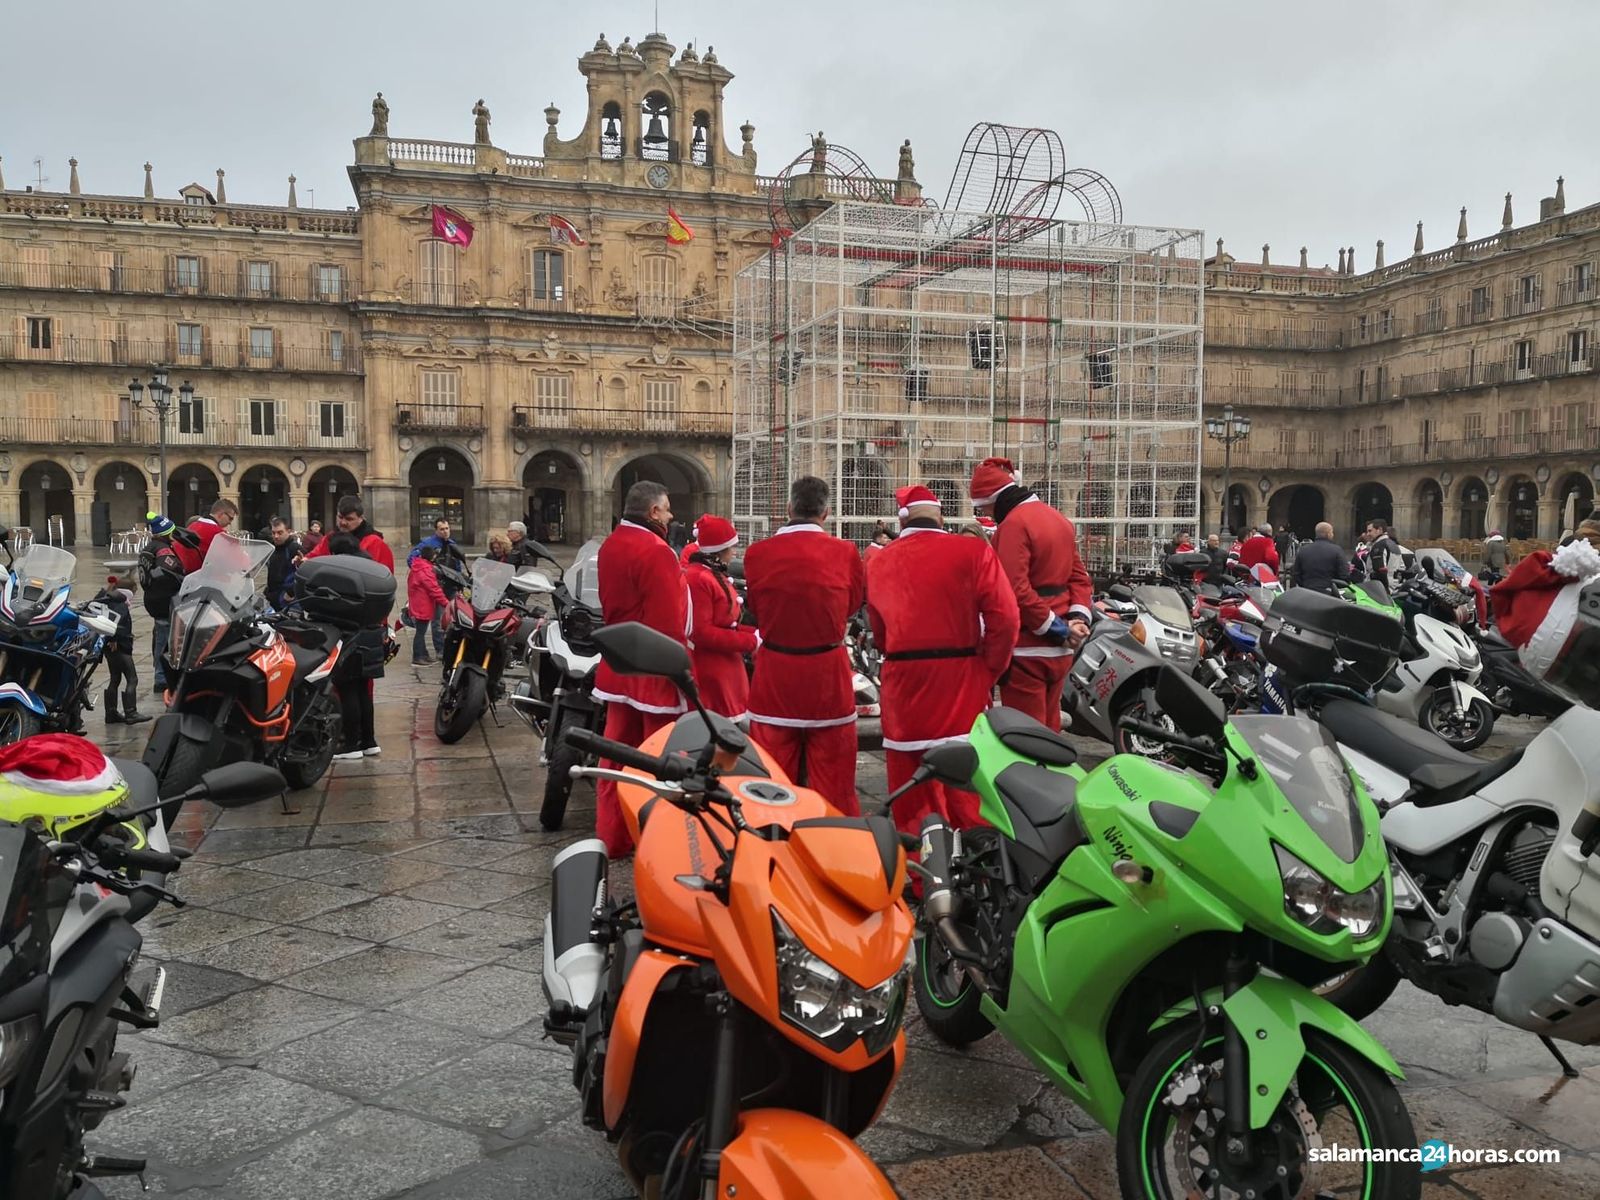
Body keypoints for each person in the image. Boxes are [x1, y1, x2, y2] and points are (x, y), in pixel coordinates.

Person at [867, 485, 1017, 836]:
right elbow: (1006, 619)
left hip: (903, 686)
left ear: (901, 520)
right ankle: (979, 873)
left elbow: (879, 631)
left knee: (911, 791)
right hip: (961, 681)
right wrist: (988, 669)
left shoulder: (878, 560)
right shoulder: (973, 551)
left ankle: (925, 877)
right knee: (967, 787)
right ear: (941, 517)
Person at [744, 476, 867, 814]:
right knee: (835, 784)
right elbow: (853, 604)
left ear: (789, 508)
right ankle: (837, 850)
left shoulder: (758, 554)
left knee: (770, 781)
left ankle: (771, 846)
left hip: (776, 677)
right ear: (826, 512)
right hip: (828, 677)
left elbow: (754, 605)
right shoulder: (845, 553)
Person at [592, 481, 690, 857]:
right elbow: (668, 623)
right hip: (653, 671)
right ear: (653, 512)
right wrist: (681, 670)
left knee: (614, 756)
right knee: (659, 761)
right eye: (666, 510)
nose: (670, 516)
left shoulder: (610, 544)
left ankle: (612, 837)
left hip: (618, 666)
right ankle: (659, 842)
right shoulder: (658, 551)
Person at [969, 457, 1091, 731]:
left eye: (983, 505)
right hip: (1061, 651)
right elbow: (1080, 578)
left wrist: (1056, 628)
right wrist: (1077, 621)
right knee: (1051, 732)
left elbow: (1014, 588)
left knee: (1028, 738)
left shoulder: (1014, 524)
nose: (986, 513)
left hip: (1028, 647)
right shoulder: (1059, 519)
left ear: (994, 498)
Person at [684, 515, 757, 722]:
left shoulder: (711, 574)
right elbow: (702, 632)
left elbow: (729, 624)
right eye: (731, 547)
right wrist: (750, 641)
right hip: (711, 672)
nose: (734, 553)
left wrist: (757, 635)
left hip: (726, 670)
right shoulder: (700, 578)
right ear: (720, 549)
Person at [325, 533, 386, 760]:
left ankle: (351, 745)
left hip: (350, 635)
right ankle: (369, 741)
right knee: (363, 691)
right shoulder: (370, 566)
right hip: (371, 633)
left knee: (348, 688)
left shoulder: (345, 571)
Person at [137, 512, 193, 694]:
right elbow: (168, 571)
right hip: (164, 601)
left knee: (160, 636)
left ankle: (160, 673)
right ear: (166, 533)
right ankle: (161, 678)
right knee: (166, 638)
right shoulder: (163, 549)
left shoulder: (149, 547)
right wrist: (183, 580)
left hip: (152, 599)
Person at [93, 576, 150, 726]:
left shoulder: (107, 597)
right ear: (130, 591)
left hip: (109, 645)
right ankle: (131, 712)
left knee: (115, 678)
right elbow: (116, 622)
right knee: (132, 679)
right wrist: (115, 639)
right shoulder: (119, 602)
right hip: (119, 645)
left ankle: (111, 713)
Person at [306, 495, 394, 570]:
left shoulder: (375, 542)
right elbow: (313, 557)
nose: (343, 522)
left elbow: (385, 577)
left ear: (361, 518)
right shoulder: (330, 537)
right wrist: (303, 561)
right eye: (340, 517)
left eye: (349, 519)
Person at [407, 545, 448, 665]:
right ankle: (418, 656)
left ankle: (423, 654)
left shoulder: (418, 566)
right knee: (420, 632)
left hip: (418, 603)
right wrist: (446, 603)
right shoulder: (425, 569)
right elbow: (434, 589)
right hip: (423, 605)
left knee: (421, 631)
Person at [407, 518, 465, 597]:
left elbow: (457, 564)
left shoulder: (452, 544)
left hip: (451, 585)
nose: (445, 531)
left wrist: (459, 584)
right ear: (436, 530)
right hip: (435, 584)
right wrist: (425, 574)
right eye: (442, 529)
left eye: (447, 528)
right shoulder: (428, 543)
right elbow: (411, 559)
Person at [176, 498, 237, 573]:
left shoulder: (193, 525)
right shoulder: (218, 534)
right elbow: (239, 560)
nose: (230, 523)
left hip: (186, 575)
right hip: (201, 579)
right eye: (230, 518)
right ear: (221, 514)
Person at [1291, 521, 1351, 593]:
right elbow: (1344, 575)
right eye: (1332, 532)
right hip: (1329, 593)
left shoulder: (1303, 550)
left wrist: (1304, 585)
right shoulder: (1337, 550)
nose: (1333, 534)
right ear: (1328, 534)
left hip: (1307, 592)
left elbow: (1296, 573)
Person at [265, 516, 302, 608]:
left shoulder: (294, 548)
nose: (276, 536)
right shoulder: (271, 548)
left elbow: (302, 573)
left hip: (287, 599)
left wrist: (290, 592)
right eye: (273, 533)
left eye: (280, 533)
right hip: (273, 596)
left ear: (288, 532)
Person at [1361, 520, 1404, 589]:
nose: (1368, 534)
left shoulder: (1379, 546)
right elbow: (1402, 568)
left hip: (1379, 587)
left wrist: (1385, 590)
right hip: (1393, 584)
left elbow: (1380, 571)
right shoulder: (1393, 544)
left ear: (1380, 530)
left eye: (1370, 531)